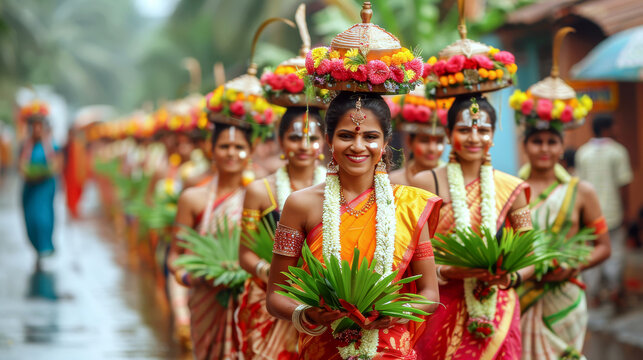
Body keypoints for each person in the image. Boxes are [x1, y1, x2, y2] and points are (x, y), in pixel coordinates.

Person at [266, 92, 442, 359]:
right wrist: (309, 313)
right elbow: (276, 296)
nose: (358, 146)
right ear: (329, 140)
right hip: (324, 347)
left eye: (370, 137)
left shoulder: (409, 204)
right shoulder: (300, 204)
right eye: (346, 135)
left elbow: (430, 293)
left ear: (384, 143)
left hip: (389, 348)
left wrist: (394, 313)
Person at [411, 95, 533, 359]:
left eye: (483, 130)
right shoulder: (425, 182)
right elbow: (408, 253)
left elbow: (529, 255)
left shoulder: (512, 189)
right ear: (447, 132)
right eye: (464, 130)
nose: (474, 138)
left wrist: (509, 277)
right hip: (440, 303)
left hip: (496, 305)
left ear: (493, 134)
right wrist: (446, 271)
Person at [237, 107, 326, 359]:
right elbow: (245, 254)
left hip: (320, 300)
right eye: (295, 137)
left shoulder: (333, 191)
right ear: (280, 140)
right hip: (270, 297)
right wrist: (273, 274)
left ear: (325, 141)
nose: (304, 146)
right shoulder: (259, 191)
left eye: (313, 138)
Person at [169, 118, 254, 360]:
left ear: (251, 151)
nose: (232, 153)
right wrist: (187, 276)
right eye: (224, 146)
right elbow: (175, 254)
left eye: (239, 147)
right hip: (204, 296)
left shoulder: (257, 198)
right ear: (211, 150)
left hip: (246, 298)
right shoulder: (192, 198)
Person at [576, 115, 633, 304]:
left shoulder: (582, 153)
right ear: (607, 128)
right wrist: (626, 211)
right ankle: (615, 290)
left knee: (592, 252)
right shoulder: (618, 152)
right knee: (614, 252)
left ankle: (593, 294)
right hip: (613, 212)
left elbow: (578, 186)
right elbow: (623, 185)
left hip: (589, 215)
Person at [18, 102, 62, 261]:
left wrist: (46, 172)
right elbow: (21, 166)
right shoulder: (25, 145)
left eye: (39, 126)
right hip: (30, 188)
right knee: (30, 218)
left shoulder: (51, 145)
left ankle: (45, 246)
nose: (36, 129)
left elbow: (57, 164)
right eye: (34, 126)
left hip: (45, 187)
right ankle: (36, 247)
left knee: (42, 218)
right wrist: (29, 174)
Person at [387, 87, 449, 185]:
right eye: (424, 141)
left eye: (439, 142)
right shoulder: (394, 181)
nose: (432, 148)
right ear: (409, 142)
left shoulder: (452, 180)